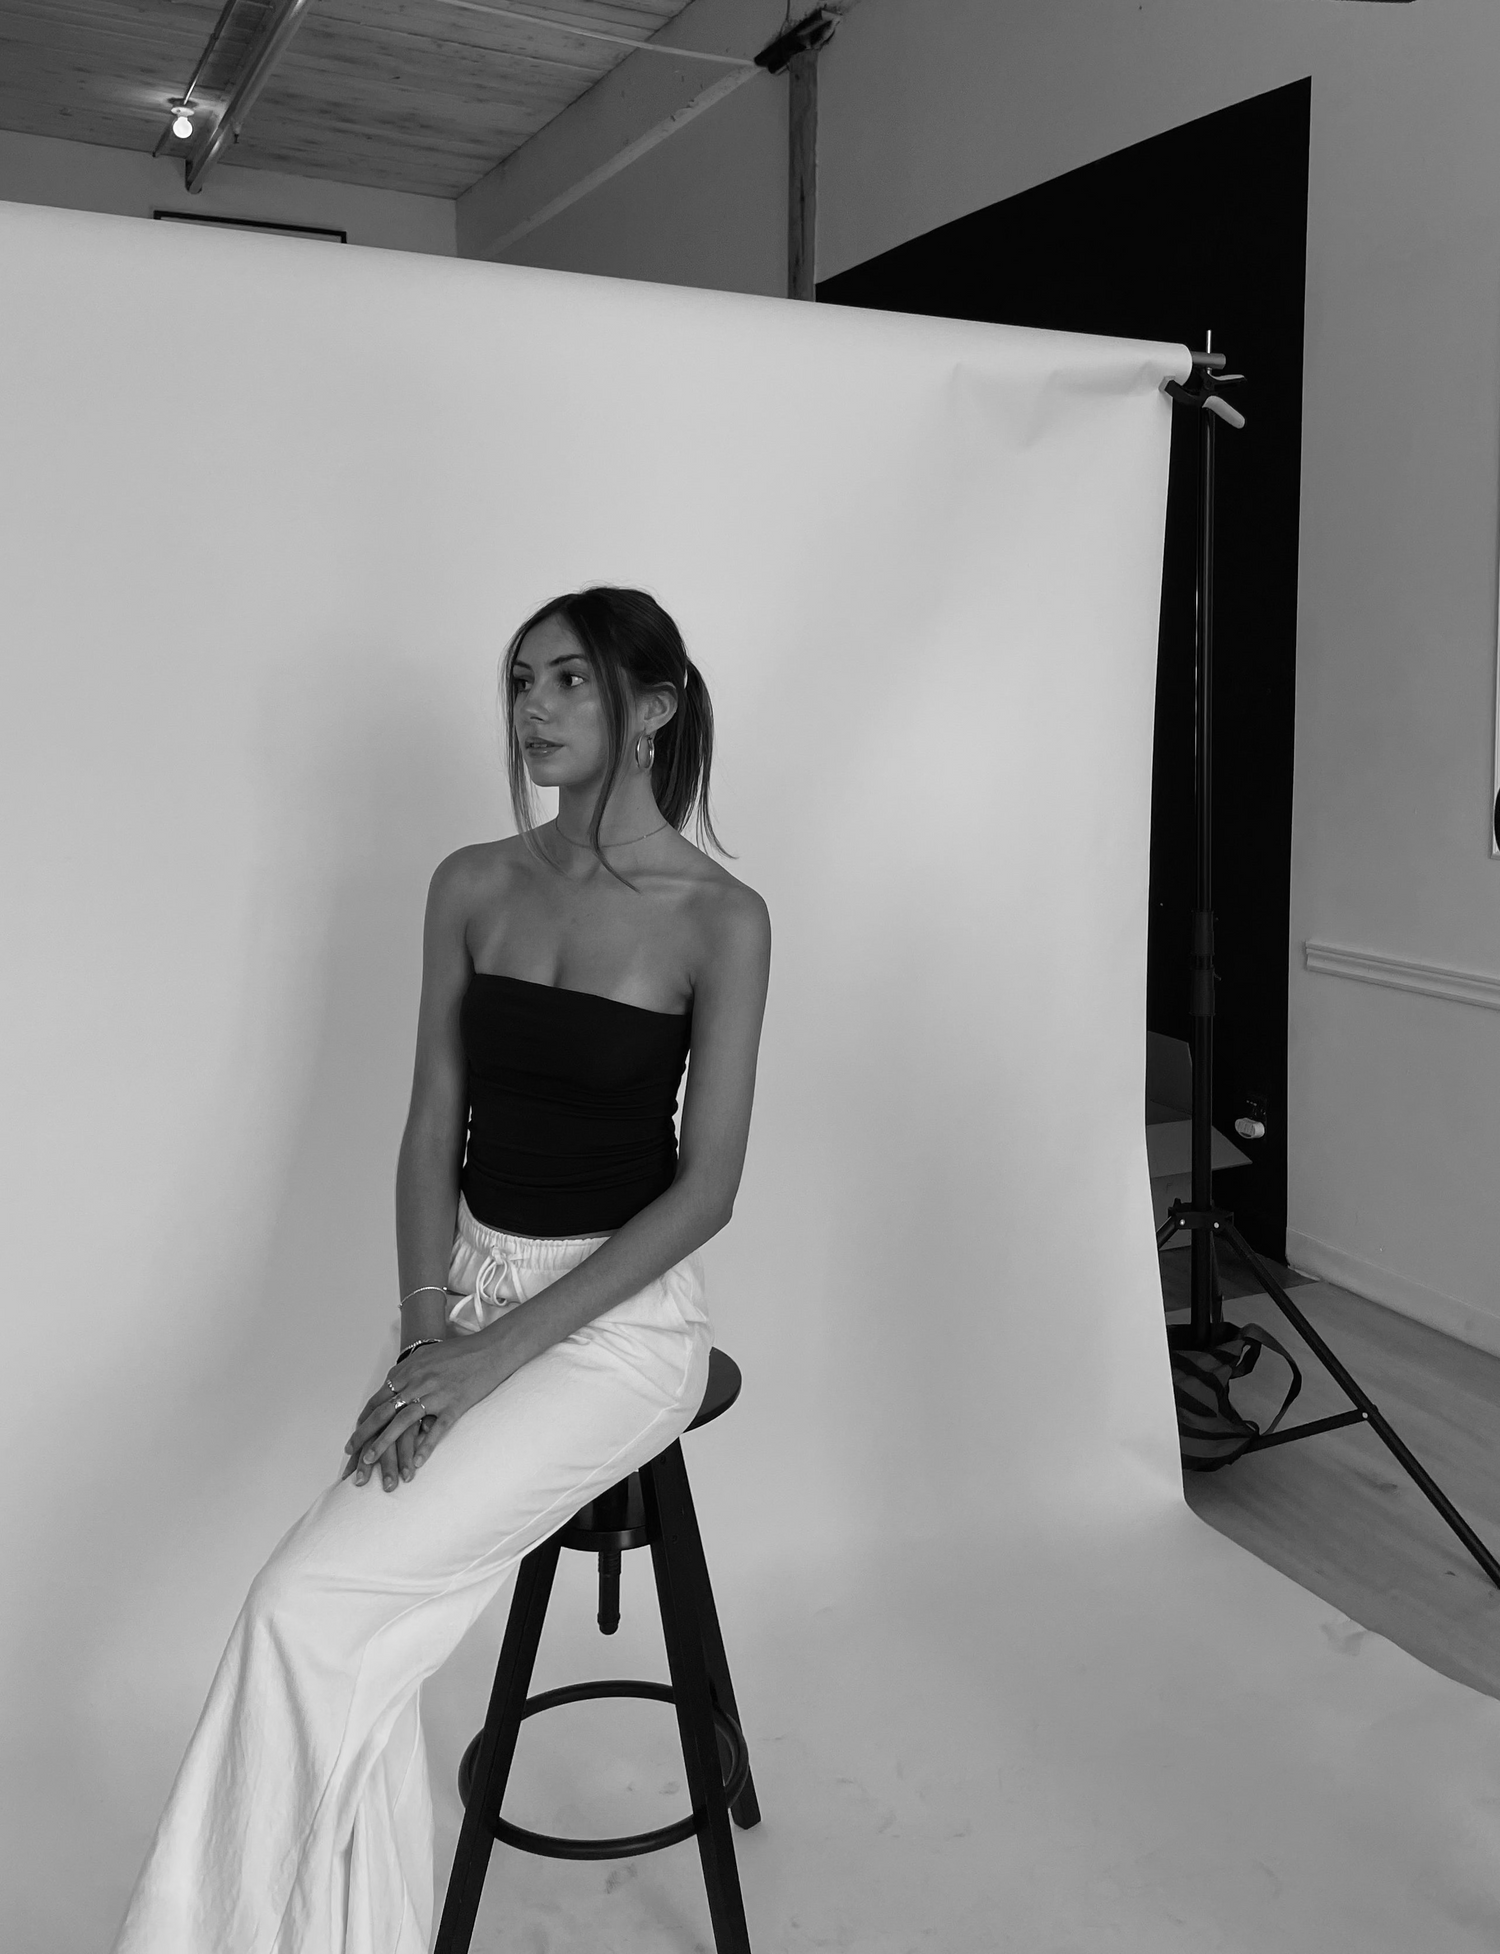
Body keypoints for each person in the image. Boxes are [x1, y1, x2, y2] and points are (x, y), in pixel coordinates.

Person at [109, 585, 773, 1953]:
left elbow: (707, 1189)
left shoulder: (721, 917)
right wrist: (431, 1329)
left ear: (651, 706)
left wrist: (484, 1361)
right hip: (463, 1293)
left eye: (569, 682)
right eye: (522, 681)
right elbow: (431, 1124)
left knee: (307, 1607)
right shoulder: (472, 882)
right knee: (351, 1628)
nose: (533, 709)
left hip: (621, 1324)